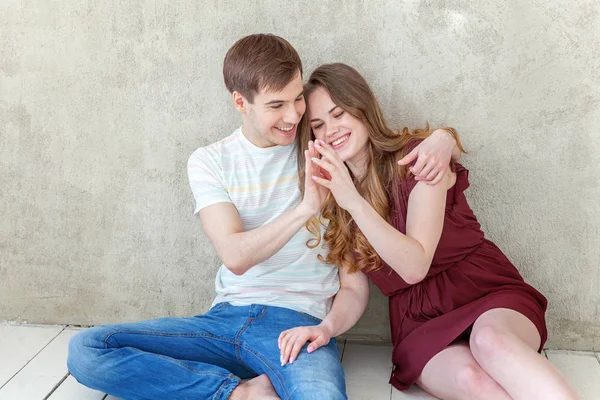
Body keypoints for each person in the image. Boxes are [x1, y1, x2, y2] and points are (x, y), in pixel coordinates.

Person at [66, 35, 456, 400]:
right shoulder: (210, 162)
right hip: (223, 320)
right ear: (241, 103)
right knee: (88, 349)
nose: (293, 117)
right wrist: (305, 209)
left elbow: (353, 286)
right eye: (276, 106)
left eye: (297, 100)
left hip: (298, 326)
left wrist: (444, 138)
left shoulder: (324, 149)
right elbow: (235, 256)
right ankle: (237, 393)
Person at [297, 62, 579, 400]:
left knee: (490, 342)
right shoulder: (336, 197)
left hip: (485, 292)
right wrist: (326, 328)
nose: (330, 130)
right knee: (472, 379)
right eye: (318, 125)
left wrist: (354, 201)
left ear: (363, 107)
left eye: (339, 113)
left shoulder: (417, 158)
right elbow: (354, 290)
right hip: (418, 321)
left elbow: (415, 265)